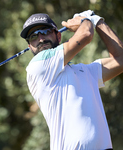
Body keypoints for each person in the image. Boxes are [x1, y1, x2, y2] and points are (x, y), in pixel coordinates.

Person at [20, 10, 123, 150]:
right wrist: (85, 20)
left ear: (58, 35)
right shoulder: (37, 66)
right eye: (33, 36)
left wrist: (98, 21)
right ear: (29, 46)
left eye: (45, 31)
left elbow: (120, 60)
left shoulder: (85, 71)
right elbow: (86, 34)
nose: (41, 39)